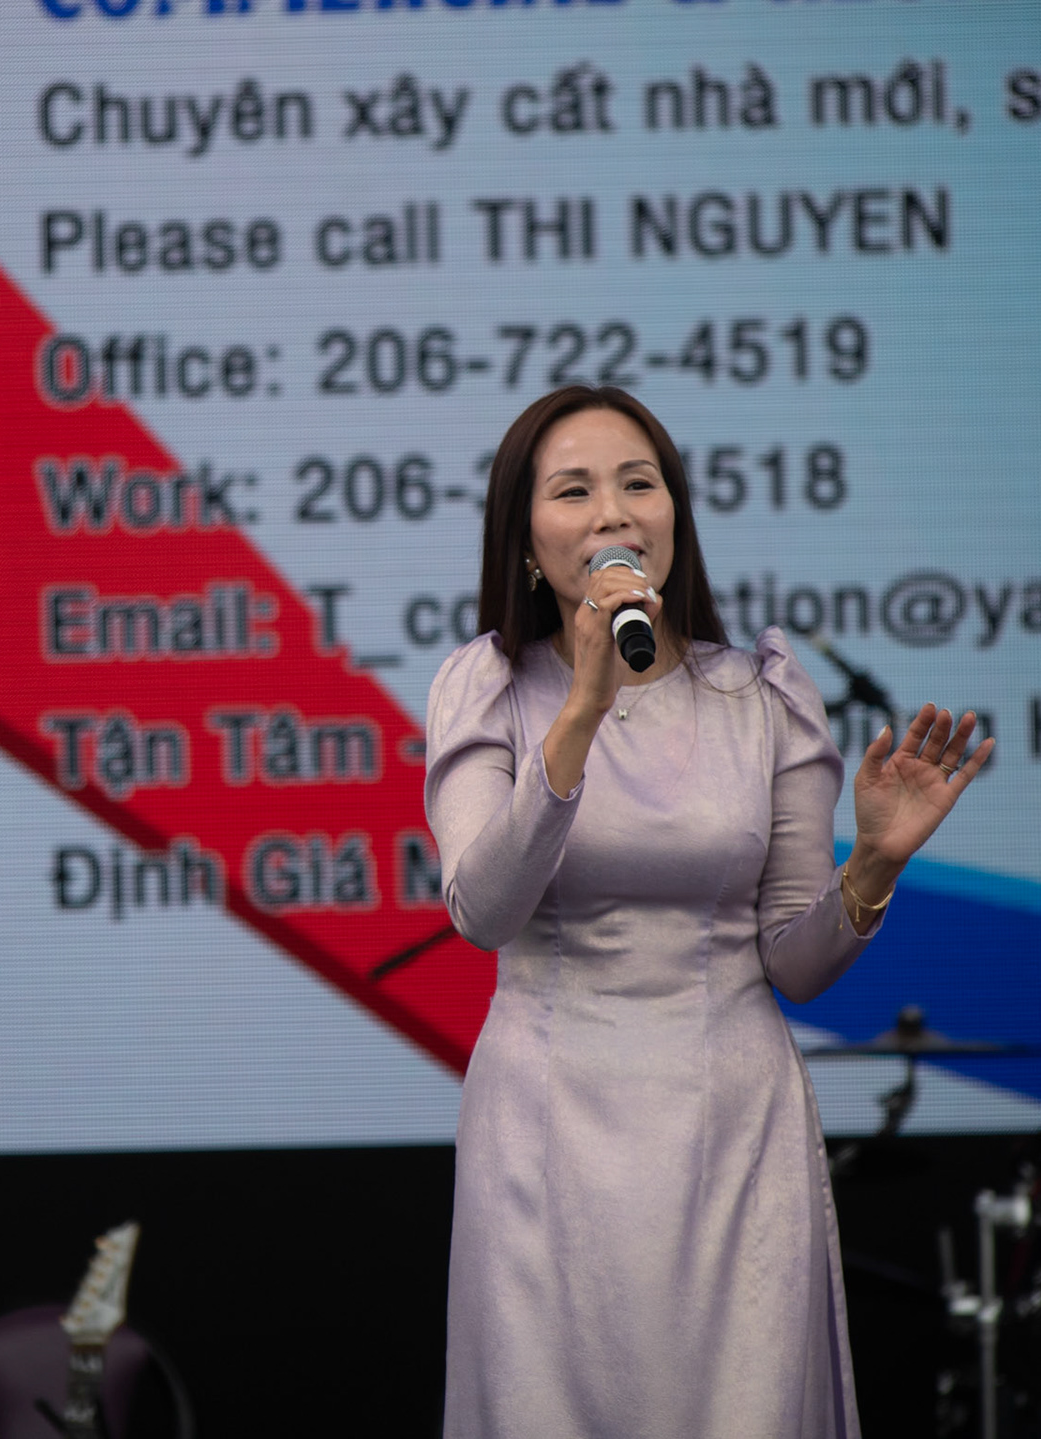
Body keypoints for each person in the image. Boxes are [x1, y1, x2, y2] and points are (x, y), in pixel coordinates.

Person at [423, 385, 990, 1438]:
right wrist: (583, 711)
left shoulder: (761, 696)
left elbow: (797, 964)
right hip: (547, 1131)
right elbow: (483, 909)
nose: (612, 513)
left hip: (734, 1132)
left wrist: (873, 861)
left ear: (675, 515)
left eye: (638, 484)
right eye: (573, 490)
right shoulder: (486, 686)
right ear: (525, 535)